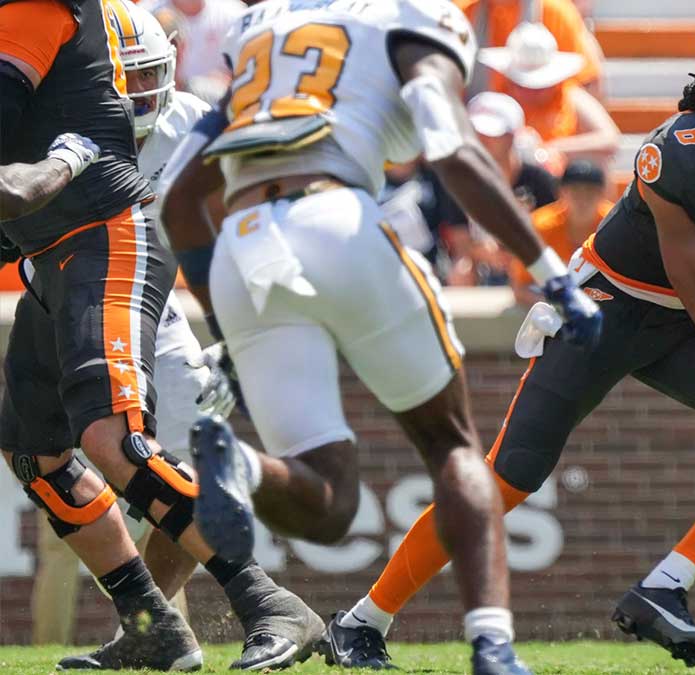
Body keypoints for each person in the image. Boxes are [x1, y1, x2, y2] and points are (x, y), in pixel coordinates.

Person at [332, 2, 695, 669]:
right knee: (506, 478)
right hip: (606, 311)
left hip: (679, 320)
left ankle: (664, 587)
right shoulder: (682, 153)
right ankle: (361, 620)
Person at [157, 0, 601, 672]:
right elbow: (452, 150)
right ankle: (492, 644)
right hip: (336, 214)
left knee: (328, 503)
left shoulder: (259, 31)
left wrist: (228, 328)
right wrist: (547, 270)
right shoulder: (411, 20)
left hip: (243, 248)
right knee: (451, 443)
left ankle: (239, 466)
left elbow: (178, 204)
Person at [0, 0, 318, 670]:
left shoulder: (42, 20)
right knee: (35, 451)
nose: (139, 92)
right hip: (56, 260)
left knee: (114, 440)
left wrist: (244, 333)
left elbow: (24, 180)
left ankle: (266, 601)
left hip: (110, 245)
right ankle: (151, 623)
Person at [444, 91, 560, 286]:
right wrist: (480, 251)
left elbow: (556, 230)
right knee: (460, 271)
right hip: (484, 268)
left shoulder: (539, 180)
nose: (483, 140)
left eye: (491, 134)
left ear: (512, 136)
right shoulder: (460, 181)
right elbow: (460, 240)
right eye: (477, 133)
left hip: (532, 265)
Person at [477, 22, 619, 164]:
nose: (530, 92)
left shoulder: (570, 95)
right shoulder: (498, 100)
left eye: (540, 88)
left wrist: (548, 149)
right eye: (522, 86)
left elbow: (609, 138)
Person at [510, 159, 612, 305]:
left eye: (590, 191)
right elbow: (521, 288)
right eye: (575, 190)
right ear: (561, 192)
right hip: (553, 304)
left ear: (603, 193)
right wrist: (565, 309)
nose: (582, 199)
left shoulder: (614, 225)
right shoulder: (539, 226)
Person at [457, 0, 605, 97]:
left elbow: (589, 82)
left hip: (549, 134)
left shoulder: (554, 11)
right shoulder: (460, 14)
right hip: (484, 130)